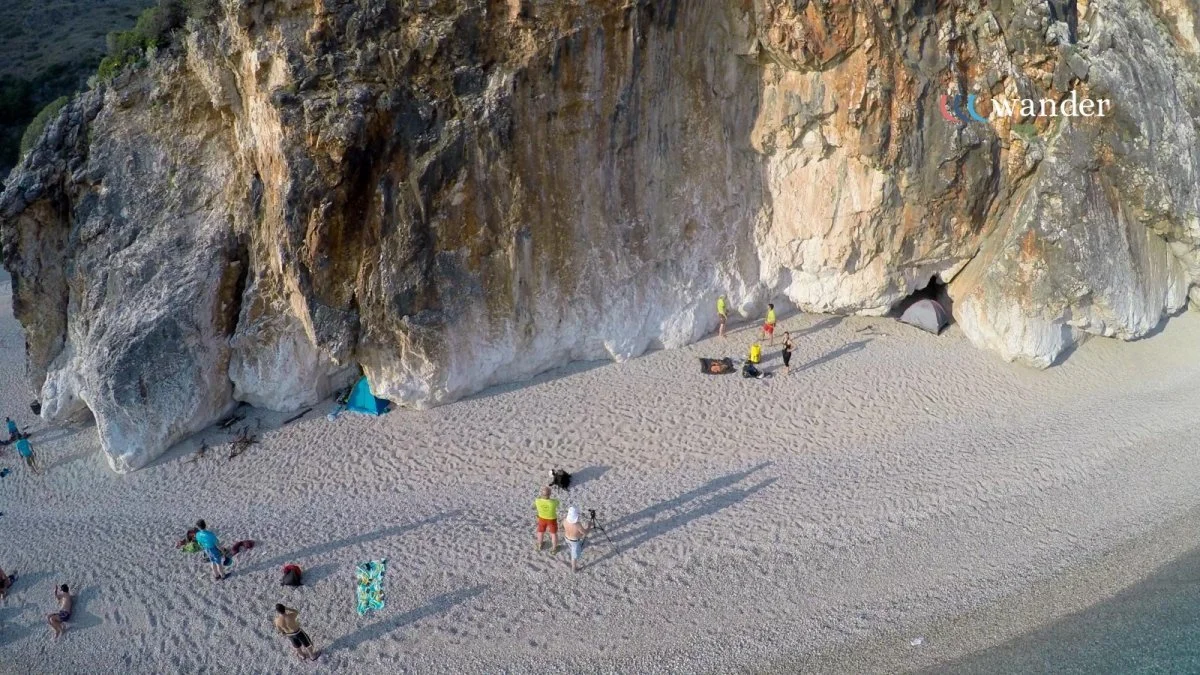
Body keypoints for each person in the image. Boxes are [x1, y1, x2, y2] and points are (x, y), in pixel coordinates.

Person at [562, 507, 591, 573]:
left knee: (572, 548)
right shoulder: (577, 524)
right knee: (574, 557)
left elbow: (564, 528)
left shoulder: (564, 521)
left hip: (566, 538)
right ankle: (574, 569)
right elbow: (585, 533)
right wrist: (589, 526)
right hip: (575, 541)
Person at [534, 485, 560, 553]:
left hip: (541, 518)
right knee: (553, 533)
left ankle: (540, 544)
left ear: (541, 494)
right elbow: (558, 503)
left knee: (540, 532)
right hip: (551, 520)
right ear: (550, 494)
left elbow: (534, 506)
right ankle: (554, 548)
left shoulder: (537, 501)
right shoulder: (553, 502)